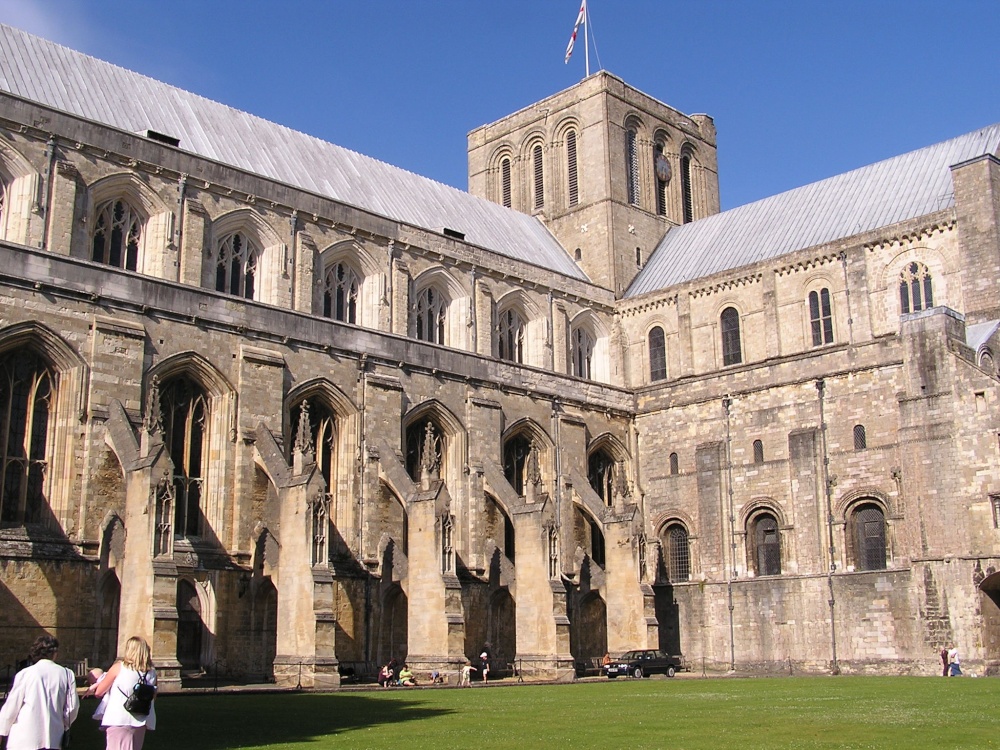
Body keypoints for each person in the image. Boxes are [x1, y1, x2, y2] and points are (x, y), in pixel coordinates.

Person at [0, 634, 79, 750]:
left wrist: (3, 730)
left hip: (24, 737)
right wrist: (64, 724)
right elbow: (73, 707)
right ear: (55, 653)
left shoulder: (26, 674)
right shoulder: (67, 674)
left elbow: (12, 706)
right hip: (54, 737)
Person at [94, 636, 157, 750]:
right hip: (141, 720)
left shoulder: (119, 667)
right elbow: (153, 697)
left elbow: (99, 692)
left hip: (119, 719)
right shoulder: (151, 672)